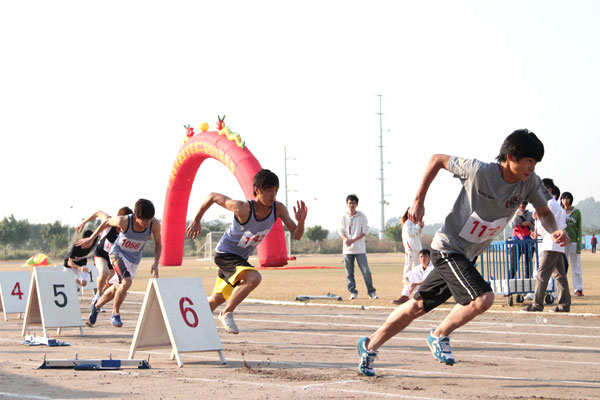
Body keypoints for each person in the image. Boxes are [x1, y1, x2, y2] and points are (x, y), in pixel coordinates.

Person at [356, 129, 568, 377]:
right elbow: (436, 159)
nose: (532, 168)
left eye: (535, 163)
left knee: (416, 306)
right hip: (448, 247)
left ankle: (369, 345)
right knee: (483, 298)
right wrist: (418, 200)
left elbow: (544, 212)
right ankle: (439, 334)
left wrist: (554, 231)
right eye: (529, 161)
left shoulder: (529, 182)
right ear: (511, 156)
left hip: (466, 255)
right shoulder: (480, 171)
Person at [186, 169, 307, 334]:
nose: (273, 195)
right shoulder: (243, 208)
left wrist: (300, 223)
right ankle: (226, 313)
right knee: (254, 278)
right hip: (225, 254)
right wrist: (197, 219)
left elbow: (297, 235)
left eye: (276, 190)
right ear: (257, 190)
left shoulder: (278, 209)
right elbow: (213, 196)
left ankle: (186, 327)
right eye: (269, 191)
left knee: (217, 298)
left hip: (240, 259)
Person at [79, 199, 161, 328]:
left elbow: (158, 243)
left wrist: (156, 263)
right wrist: (91, 238)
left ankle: (96, 306)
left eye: (149, 220)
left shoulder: (154, 224)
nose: (147, 224)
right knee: (126, 282)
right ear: (136, 216)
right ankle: (115, 314)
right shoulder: (124, 221)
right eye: (144, 221)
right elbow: (106, 222)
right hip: (118, 254)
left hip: (134, 259)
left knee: (117, 288)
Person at [522, 179, 570, 313]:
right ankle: (564, 305)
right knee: (560, 276)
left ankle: (537, 304)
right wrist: (537, 229)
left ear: (548, 190)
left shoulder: (549, 204)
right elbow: (561, 226)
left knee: (542, 274)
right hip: (555, 245)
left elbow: (546, 226)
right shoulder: (555, 205)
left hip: (551, 244)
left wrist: (537, 223)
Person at [76, 206, 133, 311]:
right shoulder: (110, 221)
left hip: (113, 258)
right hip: (101, 254)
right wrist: (83, 222)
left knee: (111, 282)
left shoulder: (128, 230)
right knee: (104, 272)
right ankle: (98, 295)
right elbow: (98, 212)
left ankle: (100, 298)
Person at [337, 194, 377, 300]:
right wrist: (346, 240)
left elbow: (365, 231)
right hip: (347, 250)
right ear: (347, 204)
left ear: (357, 204)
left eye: (354, 203)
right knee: (349, 272)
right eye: (350, 203)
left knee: (366, 271)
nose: (352, 205)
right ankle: (353, 292)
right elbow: (340, 231)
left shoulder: (362, 216)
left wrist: (353, 240)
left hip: (359, 249)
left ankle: (371, 292)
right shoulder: (344, 217)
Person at [392, 208, 423, 304]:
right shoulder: (407, 224)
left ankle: (418, 293)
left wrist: (420, 227)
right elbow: (410, 233)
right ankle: (405, 294)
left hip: (417, 250)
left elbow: (418, 235)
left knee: (417, 271)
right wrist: (418, 226)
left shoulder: (414, 224)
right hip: (410, 250)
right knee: (408, 271)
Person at [560, 192, 583, 296]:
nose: (566, 200)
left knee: (576, 267)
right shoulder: (559, 211)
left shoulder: (576, 212)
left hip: (573, 242)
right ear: (561, 200)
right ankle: (561, 290)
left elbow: (579, 229)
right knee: (562, 267)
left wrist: (579, 244)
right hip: (562, 243)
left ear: (571, 200)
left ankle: (578, 289)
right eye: (563, 198)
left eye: (568, 198)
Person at [508, 201, 535, 278]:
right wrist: (517, 216)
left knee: (528, 264)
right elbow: (512, 225)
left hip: (528, 241)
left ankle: (528, 280)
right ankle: (510, 279)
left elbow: (534, 228)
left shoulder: (531, 214)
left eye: (524, 204)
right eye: (521, 203)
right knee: (514, 263)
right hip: (516, 240)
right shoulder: (513, 213)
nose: (522, 205)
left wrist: (529, 224)